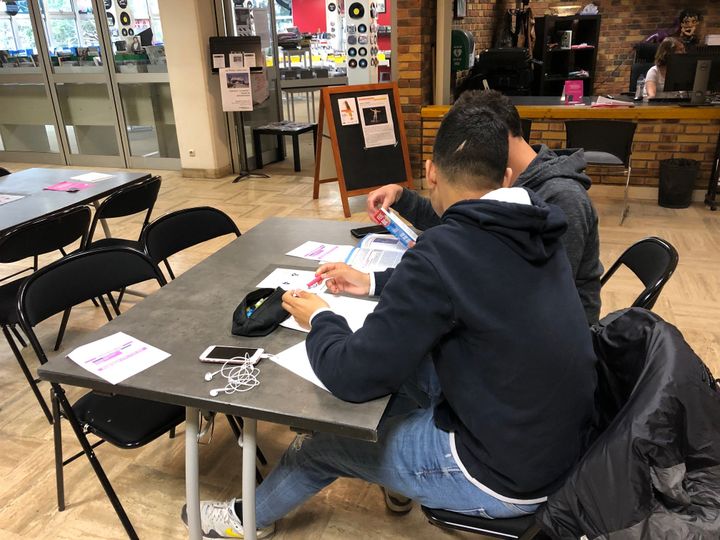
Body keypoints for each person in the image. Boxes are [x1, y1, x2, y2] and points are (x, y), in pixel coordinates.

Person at [182, 101, 598, 539]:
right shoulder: (536, 224)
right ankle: (397, 474)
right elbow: (468, 282)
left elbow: (352, 376)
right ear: (507, 178)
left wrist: (322, 318)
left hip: (502, 474)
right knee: (410, 370)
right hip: (560, 441)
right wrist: (374, 283)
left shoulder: (444, 252)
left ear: (431, 170)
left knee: (318, 448)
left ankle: (244, 522)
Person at [367, 89, 603, 324]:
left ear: (494, 135)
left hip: (545, 337)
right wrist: (403, 198)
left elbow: (532, 293)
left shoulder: (563, 198)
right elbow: (460, 220)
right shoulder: (499, 183)